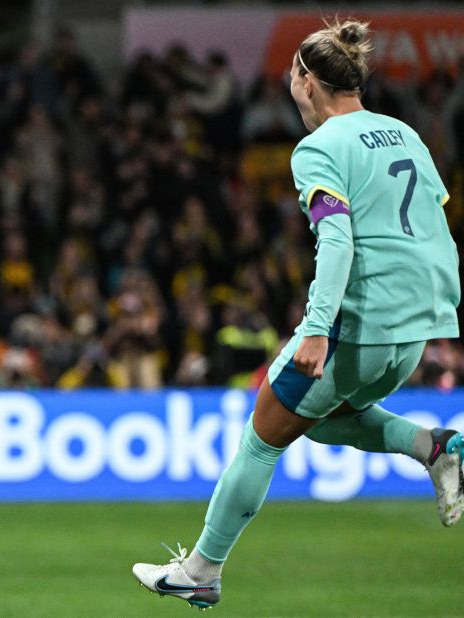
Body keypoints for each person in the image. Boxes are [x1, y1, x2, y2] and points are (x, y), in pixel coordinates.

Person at [132, 19, 462, 609]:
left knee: (260, 438)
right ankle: (434, 447)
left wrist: (316, 329)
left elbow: (336, 239)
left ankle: (202, 570)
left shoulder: (319, 147)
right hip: (414, 331)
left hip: (356, 327)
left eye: (292, 76)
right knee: (321, 419)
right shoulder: (404, 134)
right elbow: (436, 227)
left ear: (304, 79)